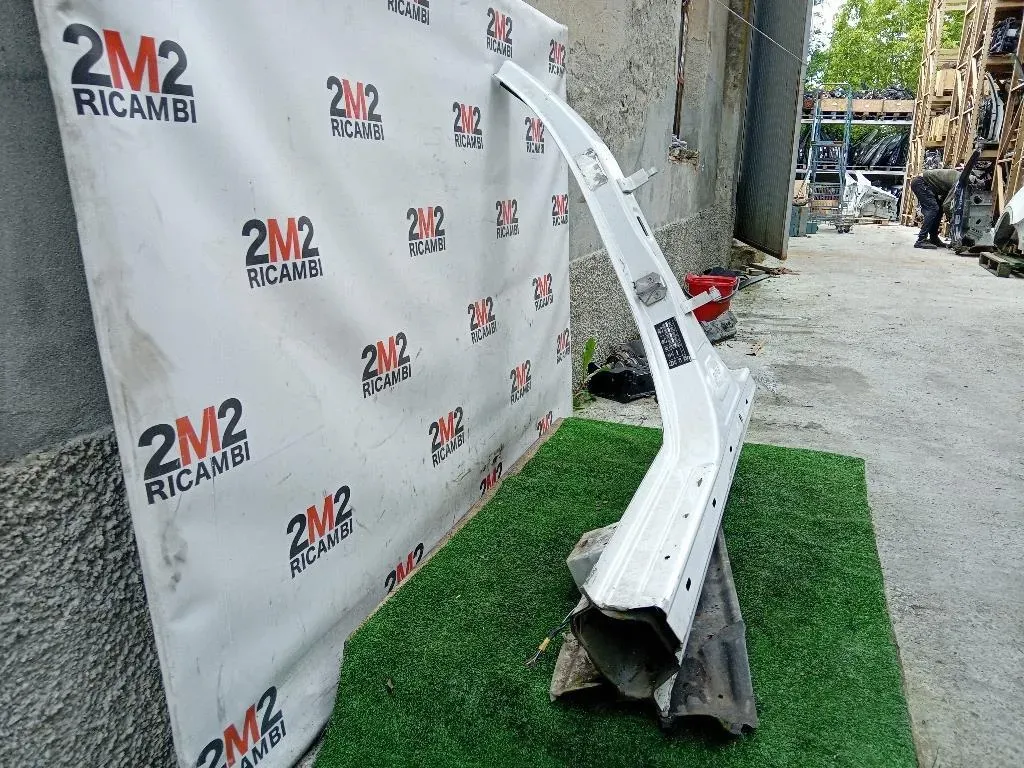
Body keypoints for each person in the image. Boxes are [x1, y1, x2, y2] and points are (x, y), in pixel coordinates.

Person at [910, 168, 960, 249]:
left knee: (939, 210)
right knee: (933, 209)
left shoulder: (959, 179)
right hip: (921, 183)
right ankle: (921, 240)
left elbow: (944, 200)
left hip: (925, 184)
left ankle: (934, 239)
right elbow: (947, 205)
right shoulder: (959, 182)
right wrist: (952, 219)